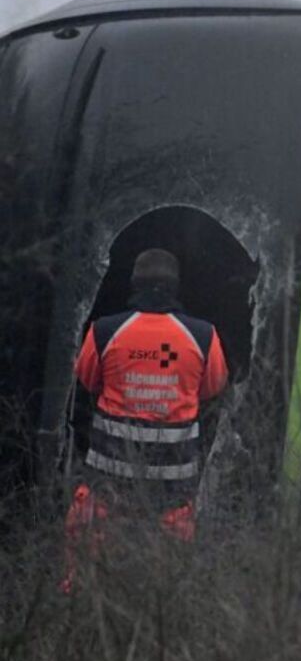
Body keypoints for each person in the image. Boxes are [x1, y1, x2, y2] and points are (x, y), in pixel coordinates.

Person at [66, 249, 229, 582]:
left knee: (87, 571)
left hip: (107, 483)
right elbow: (212, 388)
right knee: (164, 581)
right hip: (172, 489)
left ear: (133, 283)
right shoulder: (203, 336)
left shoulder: (105, 331)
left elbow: (87, 381)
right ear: (176, 287)